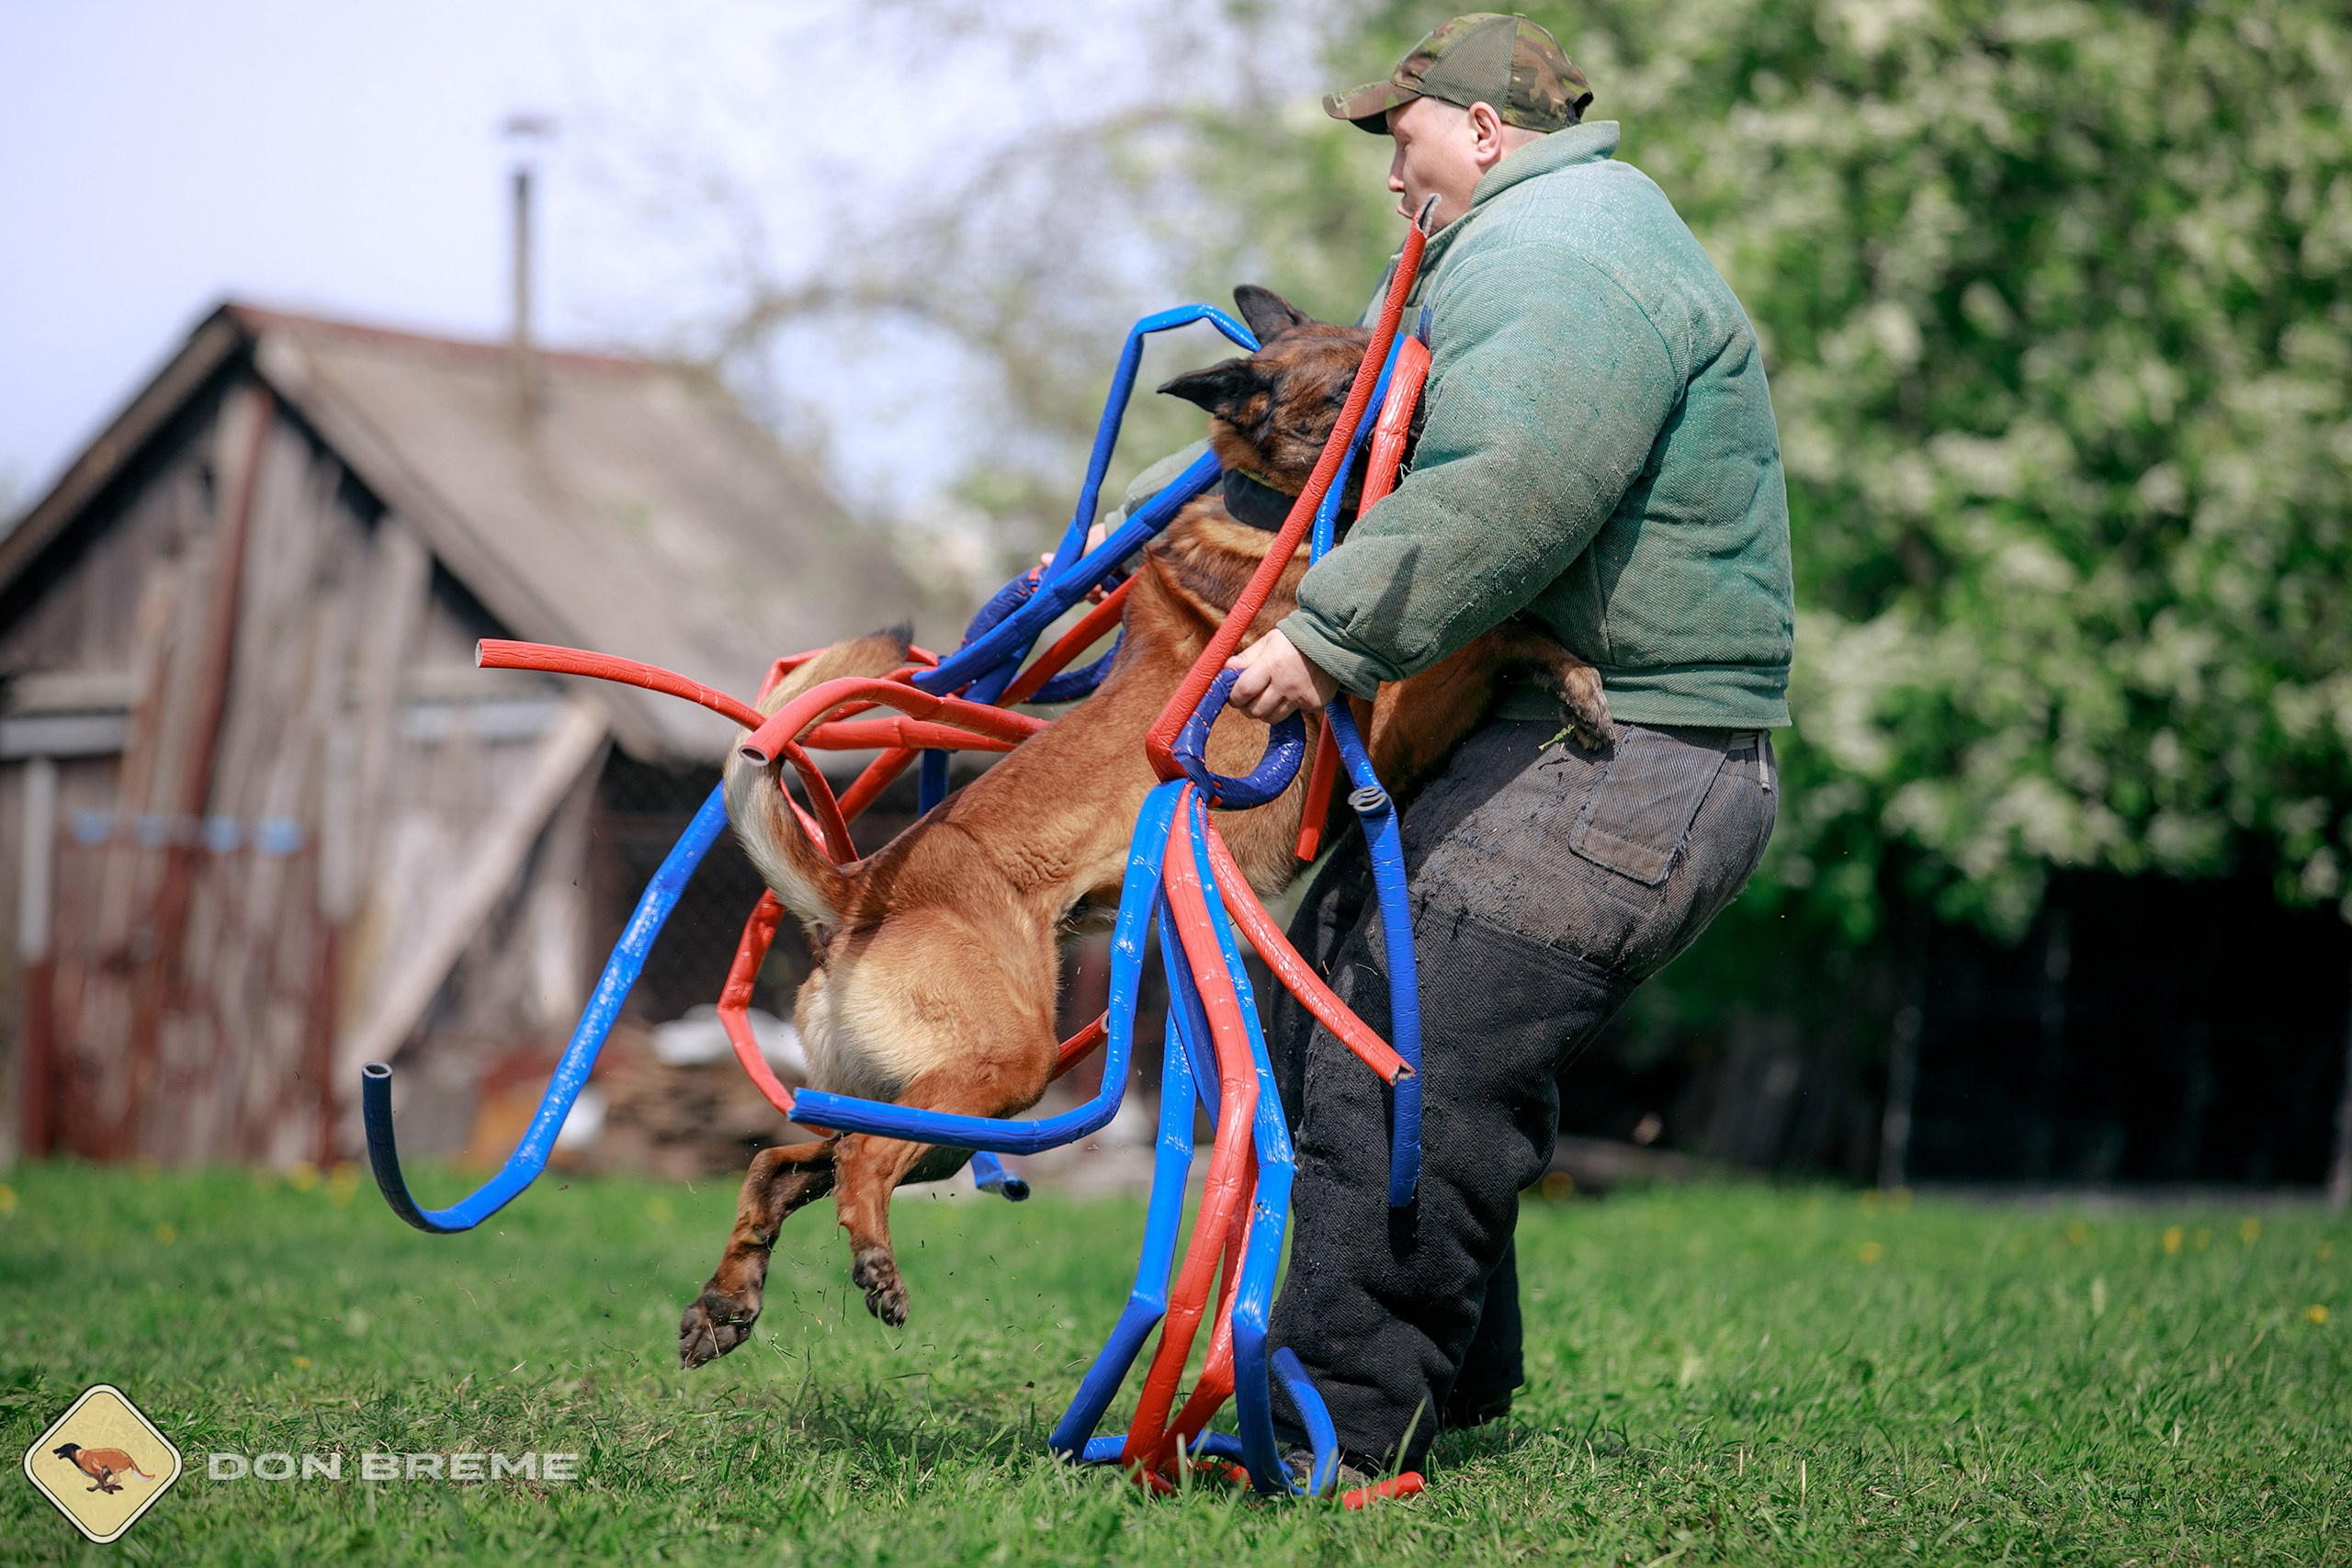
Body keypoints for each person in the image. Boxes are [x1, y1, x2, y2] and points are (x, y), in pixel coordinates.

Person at [1080, 13, 1792, 1486]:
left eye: (1394, 133)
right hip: (1566, 736)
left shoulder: (1567, 258)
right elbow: (1323, 436)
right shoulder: (1513, 253)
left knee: (1398, 1053)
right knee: (1332, 992)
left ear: (1478, 129)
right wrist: (1111, 542)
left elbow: (1505, 488)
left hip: (1638, 752)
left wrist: (1322, 638)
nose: (1385, 165)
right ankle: (1449, 1381)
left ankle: (1329, 1430)